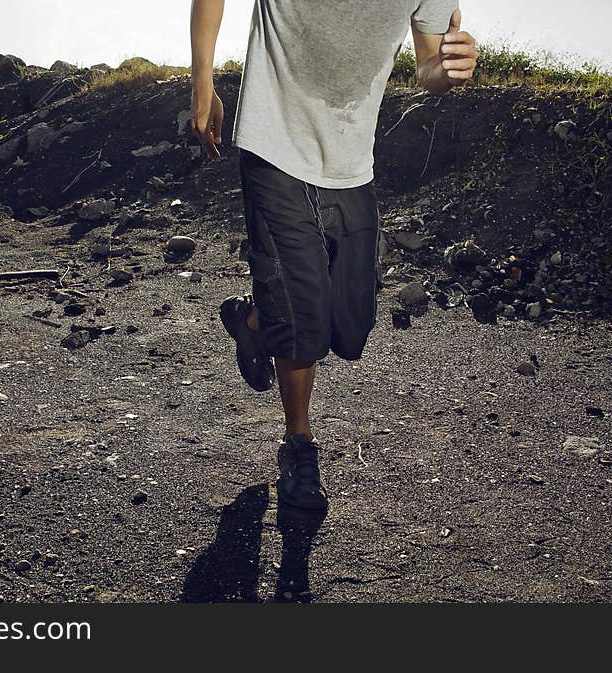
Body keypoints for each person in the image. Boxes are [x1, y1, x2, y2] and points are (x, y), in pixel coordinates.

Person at [189, 1, 478, 510]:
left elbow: (427, 66)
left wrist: (450, 70)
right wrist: (203, 83)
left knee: (349, 325)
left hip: (350, 158)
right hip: (274, 141)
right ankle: (298, 445)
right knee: (303, 321)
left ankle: (255, 323)